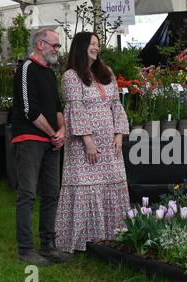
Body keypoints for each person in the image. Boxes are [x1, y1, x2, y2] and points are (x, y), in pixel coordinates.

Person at [55, 32, 130, 253]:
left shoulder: (107, 73)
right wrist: (87, 141)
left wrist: (119, 135)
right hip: (83, 144)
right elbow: (74, 109)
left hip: (109, 142)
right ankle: (82, 239)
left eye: (98, 45)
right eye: (92, 44)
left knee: (112, 182)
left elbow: (116, 104)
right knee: (85, 186)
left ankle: (111, 236)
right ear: (81, 46)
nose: (96, 48)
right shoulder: (71, 76)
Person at [12, 28, 71, 266]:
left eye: (58, 46)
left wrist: (62, 131)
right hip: (29, 139)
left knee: (51, 194)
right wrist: (52, 134)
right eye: (55, 45)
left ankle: (48, 245)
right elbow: (29, 110)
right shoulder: (26, 68)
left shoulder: (49, 73)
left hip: (51, 141)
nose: (57, 50)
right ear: (40, 44)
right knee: (27, 194)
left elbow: (57, 107)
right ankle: (26, 250)